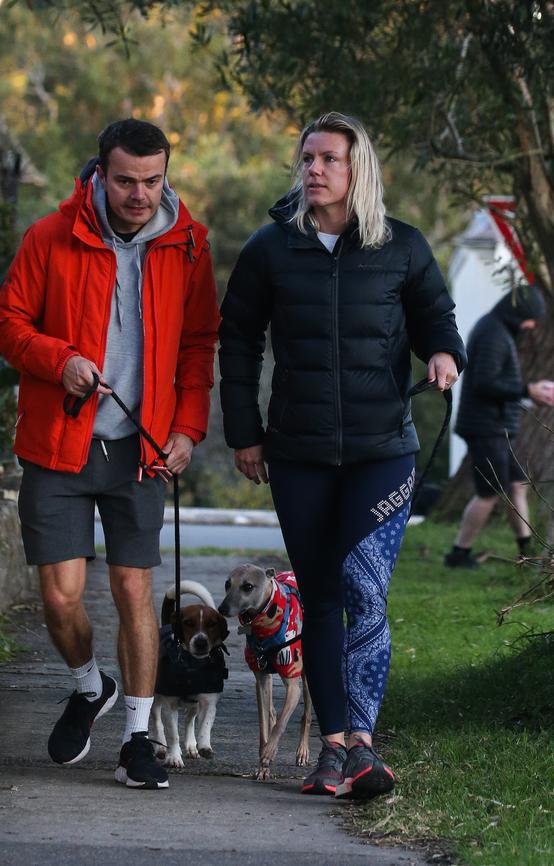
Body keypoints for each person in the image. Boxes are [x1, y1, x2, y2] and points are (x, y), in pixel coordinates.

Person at [218, 111, 466, 800]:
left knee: (364, 589)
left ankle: (363, 742)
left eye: (329, 158)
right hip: (296, 452)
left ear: (359, 171)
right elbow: (237, 341)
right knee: (320, 596)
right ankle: (332, 749)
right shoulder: (271, 249)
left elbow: (435, 315)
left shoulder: (403, 247)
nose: (315, 169)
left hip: (382, 451)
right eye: (307, 158)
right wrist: (245, 430)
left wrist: (445, 351)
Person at [0, 119, 219, 790]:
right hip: (59, 442)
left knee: (133, 590)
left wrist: (187, 429)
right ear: (100, 173)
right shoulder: (50, 236)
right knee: (60, 600)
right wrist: (57, 360)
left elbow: (200, 343)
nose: (139, 195)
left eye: (152, 181)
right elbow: (8, 322)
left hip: (141, 448)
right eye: (125, 181)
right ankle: (91, 686)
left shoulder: (189, 245)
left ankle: (139, 738)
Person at [445, 286, 554, 568]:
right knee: (489, 492)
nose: (531, 326)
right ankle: (459, 553)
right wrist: (528, 390)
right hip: (486, 426)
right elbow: (485, 383)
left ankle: (526, 552)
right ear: (518, 313)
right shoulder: (492, 333)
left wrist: (529, 393)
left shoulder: (498, 330)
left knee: (517, 485)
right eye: (530, 319)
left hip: (497, 426)